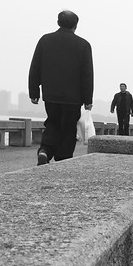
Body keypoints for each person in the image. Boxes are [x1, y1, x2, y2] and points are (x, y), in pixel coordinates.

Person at [29, 10, 93, 165]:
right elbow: (87, 75)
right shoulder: (83, 45)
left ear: (58, 22)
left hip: (51, 94)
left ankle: (45, 150)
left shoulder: (45, 40)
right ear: (76, 26)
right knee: (68, 129)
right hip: (73, 97)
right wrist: (87, 99)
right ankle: (63, 159)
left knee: (52, 123)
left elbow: (35, 67)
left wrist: (34, 91)